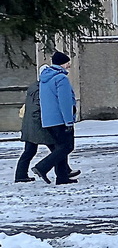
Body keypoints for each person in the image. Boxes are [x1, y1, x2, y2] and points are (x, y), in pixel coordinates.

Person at [33, 51, 78, 185]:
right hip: (60, 119)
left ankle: (62, 177)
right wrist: (68, 120)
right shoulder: (61, 78)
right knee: (67, 147)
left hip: (48, 120)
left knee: (60, 148)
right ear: (63, 63)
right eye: (68, 63)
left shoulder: (44, 79)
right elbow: (64, 102)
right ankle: (42, 167)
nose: (69, 66)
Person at [13, 68, 55, 182]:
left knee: (30, 151)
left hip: (30, 123)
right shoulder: (41, 88)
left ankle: (20, 175)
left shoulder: (33, 86)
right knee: (56, 148)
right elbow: (38, 107)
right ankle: (63, 171)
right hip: (38, 124)